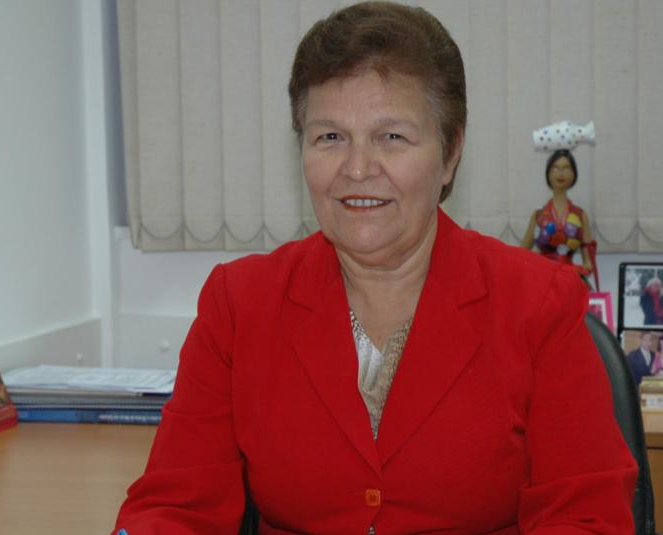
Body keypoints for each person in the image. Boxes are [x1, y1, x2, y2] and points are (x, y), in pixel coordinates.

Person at [113, 3, 636, 534]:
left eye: (392, 137)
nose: (358, 169)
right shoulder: (240, 304)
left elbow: (585, 517)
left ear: (450, 152)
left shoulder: (537, 304)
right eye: (330, 137)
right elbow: (173, 507)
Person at [521, 149, 597, 286]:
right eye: (555, 168)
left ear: (574, 174)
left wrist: (577, 270)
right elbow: (521, 254)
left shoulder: (580, 215)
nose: (560, 173)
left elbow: (588, 263)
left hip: (570, 280)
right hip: (542, 280)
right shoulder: (538, 216)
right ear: (548, 174)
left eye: (566, 168)